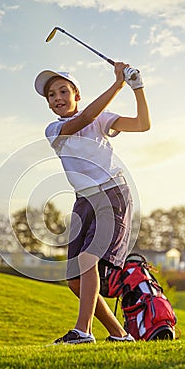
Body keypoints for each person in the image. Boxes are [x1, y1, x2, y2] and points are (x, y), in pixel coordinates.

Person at [34, 63, 150, 344]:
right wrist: (117, 84)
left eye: (64, 91)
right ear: (49, 105)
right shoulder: (55, 130)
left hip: (112, 193)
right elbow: (85, 117)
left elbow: (142, 124)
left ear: (77, 94)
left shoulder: (101, 120)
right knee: (74, 279)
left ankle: (82, 332)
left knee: (88, 260)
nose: (58, 97)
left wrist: (137, 87)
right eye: (51, 95)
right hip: (84, 201)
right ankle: (121, 335)